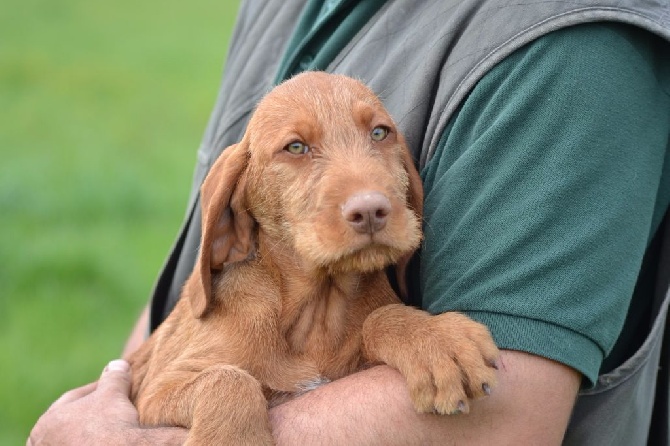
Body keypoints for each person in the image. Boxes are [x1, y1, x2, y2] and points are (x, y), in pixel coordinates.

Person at [28, 0, 670, 444]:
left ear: (410, 189)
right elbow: (170, 329)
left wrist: (400, 328)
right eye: (297, 150)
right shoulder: (279, 10)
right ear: (232, 217)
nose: (367, 197)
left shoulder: (573, 48)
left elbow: (507, 414)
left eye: (381, 135)